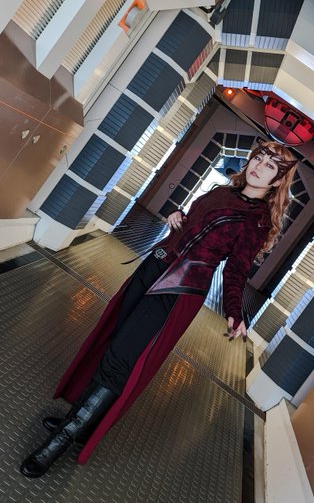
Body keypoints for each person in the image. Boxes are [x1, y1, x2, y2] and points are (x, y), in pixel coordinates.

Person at [20, 140, 297, 478]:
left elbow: (236, 269)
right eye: (259, 158)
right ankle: (76, 422)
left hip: (179, 288)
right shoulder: (222, 192)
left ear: (277, 180)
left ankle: (61, 441)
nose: (259, 166)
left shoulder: (257, 220)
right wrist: (177, 218)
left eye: (271, 166)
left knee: (122, 357)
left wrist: (234, 311)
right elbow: (194, 225)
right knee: (114, 341)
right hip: (154, 266)